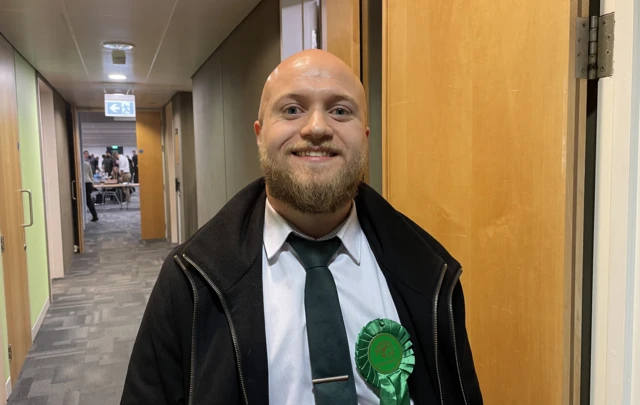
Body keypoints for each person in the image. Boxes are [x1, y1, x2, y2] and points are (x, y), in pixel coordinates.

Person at [121, 49, 482, 405]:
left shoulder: (430, 275)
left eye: (340, 111)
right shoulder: (191, 281)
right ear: (260, 135)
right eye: (292, 109)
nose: (317, 128)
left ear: (365, 138)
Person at [83, 151, 98, 222]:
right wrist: (92, 183)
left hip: (83, 183)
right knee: (88, 200)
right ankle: (94, 215)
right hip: (89, 183)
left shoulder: (78, 165)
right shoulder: (87, 164)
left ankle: (94, 216)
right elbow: (91, 175)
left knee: (87, 201)